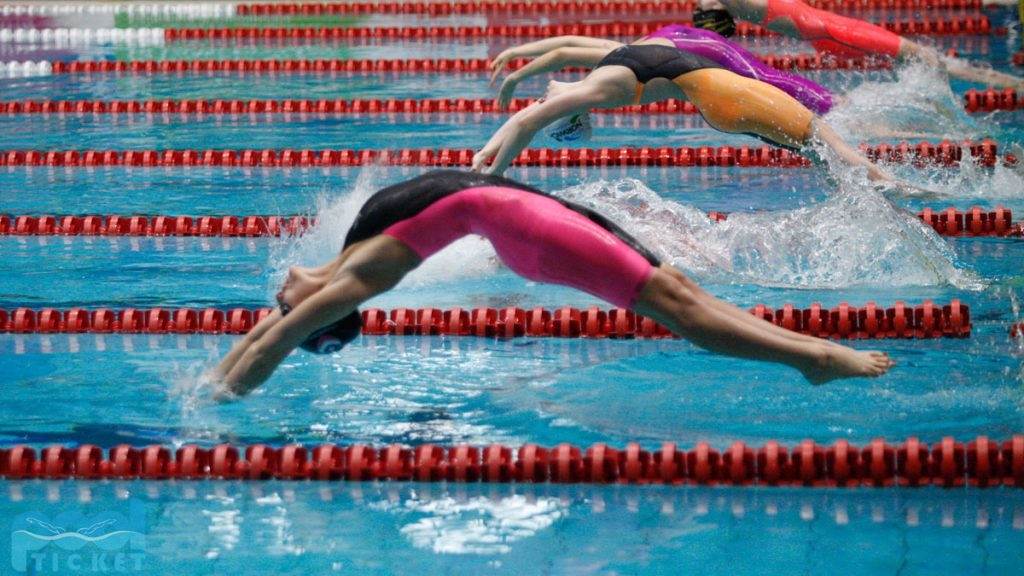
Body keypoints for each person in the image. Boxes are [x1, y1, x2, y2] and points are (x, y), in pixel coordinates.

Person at [213, 170, 894, 396]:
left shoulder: (361, 250)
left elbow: (278, 332)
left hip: (534, 223)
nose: (278, 301)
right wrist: (215, 387)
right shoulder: (363, 266)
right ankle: (815, 359)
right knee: (681, 307)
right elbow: (277, 335)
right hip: (533, 232)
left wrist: (218, 386)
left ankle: (811, 354)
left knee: (681, 292)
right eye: (293, 315)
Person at [474, 41, 896, 181]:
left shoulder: (596, 89)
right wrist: (484, 154)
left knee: (828, 154)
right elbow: (530, 114)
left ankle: (894, 192)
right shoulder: (607, 66)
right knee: (827, 147)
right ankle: (900, 190)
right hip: (730, 97)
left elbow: (529, 119)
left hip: (728, 103)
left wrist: (493, 172)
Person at [489, 24, 835, 114]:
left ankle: (831, 107)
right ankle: (832, 106)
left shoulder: (621, 66)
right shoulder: (625, 58)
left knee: (768, 82)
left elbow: (565, 51)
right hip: (684, 40)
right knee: (768, 79)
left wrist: (517, 75)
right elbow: (567, 45)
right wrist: (517, 55)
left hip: (694, 46)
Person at [693, 0, 1024, 90]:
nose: (698, 4)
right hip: (835, 34)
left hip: (834, 32)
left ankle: (1013, 85)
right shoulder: (733, 2)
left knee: (930, 61)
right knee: (928, 62)